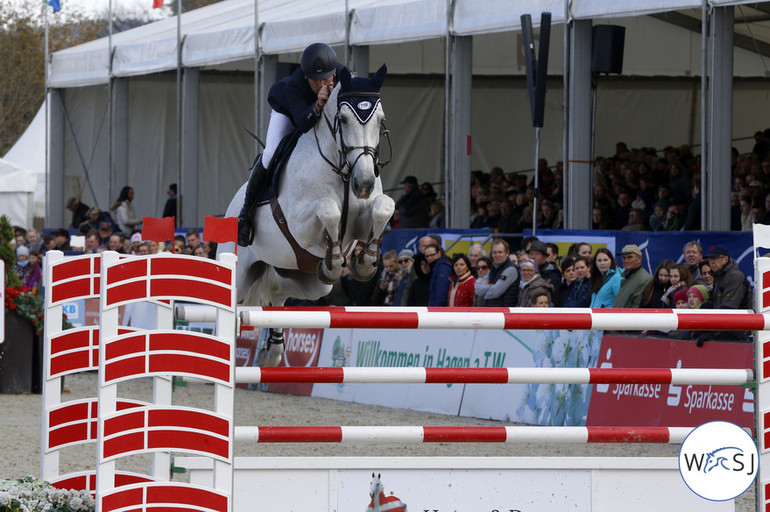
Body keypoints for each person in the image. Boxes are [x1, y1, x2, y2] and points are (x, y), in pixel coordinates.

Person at [237, 42, 344, 246]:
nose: (322, 84)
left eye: (326, 79)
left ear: (334, 73)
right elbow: (302, 123)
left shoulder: (341, 72)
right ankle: (245, 215)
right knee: (270, 153)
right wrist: (319, 103)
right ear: (306, 77)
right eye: (316, 81)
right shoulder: (293, 86)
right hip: (290, 112)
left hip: (317, 113)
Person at [474, 239, 519, 307]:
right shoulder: (493, 268)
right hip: (492, 310)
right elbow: (475, 287)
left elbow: (495, 292)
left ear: (507, 253)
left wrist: (483, 290)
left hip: (504, 313)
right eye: (494, 252)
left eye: (500, 252)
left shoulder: (511, 269)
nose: (497, 255)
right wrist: (491, 287)